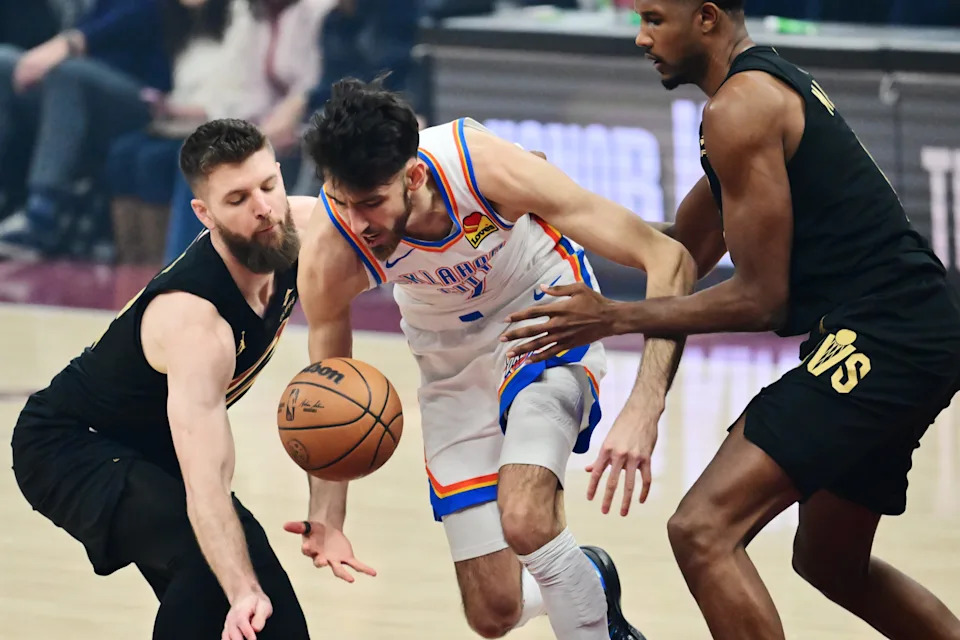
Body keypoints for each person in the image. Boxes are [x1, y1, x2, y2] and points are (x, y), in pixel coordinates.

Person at [501, 2, 960, 639]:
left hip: (889, 332)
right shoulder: (751, 91)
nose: (641, 37)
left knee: (702, 530)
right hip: (912, 328)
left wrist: (614, 317)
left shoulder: (739, 108)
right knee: (830, 560)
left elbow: (760, 299)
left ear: (708, 18)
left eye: (656, 19)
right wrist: (549, 202)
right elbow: (678, 250)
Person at [289, 76, 696, 640]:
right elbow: (330, 388)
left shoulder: (482, 168)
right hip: (449, 366)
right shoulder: (331, 248)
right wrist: (329, 518)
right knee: (493, 612)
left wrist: (645, 405)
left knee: (527, 517)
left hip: (542, 318)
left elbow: (668, 258)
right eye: (341, 201)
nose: (357, 222)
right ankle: (588, 581)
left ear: (414, 176)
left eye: (371, 204)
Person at [11, 118, 313, 640]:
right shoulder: (196, 323)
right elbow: (205, 484)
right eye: (237, 198)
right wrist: (241, 588)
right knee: (214, 575)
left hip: (148, 443)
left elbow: (401, 215)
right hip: (68, 446)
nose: (263, 208)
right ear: (205, 213)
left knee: (277, 620)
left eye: (268, 186)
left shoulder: (298, 229)